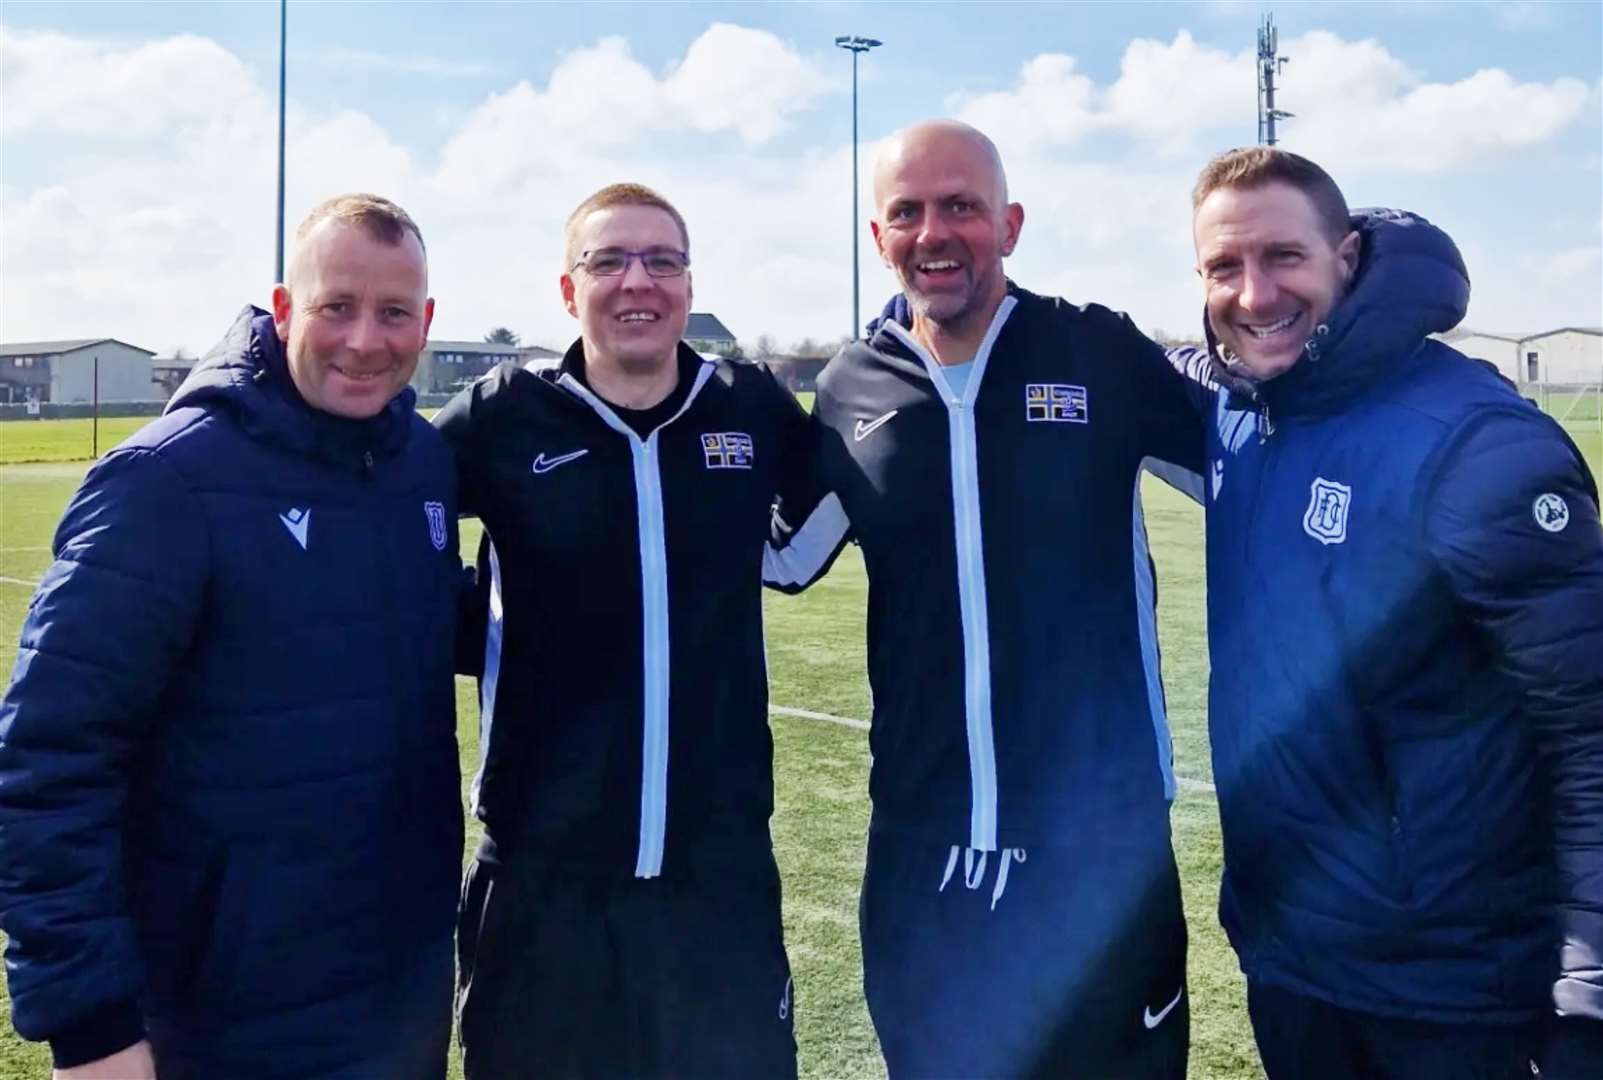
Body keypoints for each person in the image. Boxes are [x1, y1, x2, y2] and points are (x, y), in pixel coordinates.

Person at [765, 119, 1203, 1078]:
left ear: (1007, 223)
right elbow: (777, 559)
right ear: (878, 238)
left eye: (960, 206)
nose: (934, 233)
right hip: (924, 853)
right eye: (907, 212)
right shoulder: (850, 386)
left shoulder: (1097, 351)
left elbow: (1257, 463)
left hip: (1100, 846)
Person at [0, 194, 464, 1080]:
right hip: (222, 1019)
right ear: (285, 309)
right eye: (336, 306)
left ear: (426, 322)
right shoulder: (167, 481)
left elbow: (414, 620)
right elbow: (46, 763)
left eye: (394, 312)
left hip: (398, 1000)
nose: (365, 340)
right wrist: (89, 1025)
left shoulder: (421, 464)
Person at [1177, 146, 1603, 1079]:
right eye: (1222, 267)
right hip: (1290, 959)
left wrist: (1588, 985)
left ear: (1349, 256)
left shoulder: (1471, 443)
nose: (1252, 295)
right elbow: (1140, 365)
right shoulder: (1243, 406)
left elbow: (1589, 730)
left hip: (1454, 989)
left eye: (1283, 258)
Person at [437, 182, 815, 1079]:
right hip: (539, 878)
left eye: (662, 260)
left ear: (688, 285)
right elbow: (372, 512)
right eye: (607, 261)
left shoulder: (749, 409)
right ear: (568, 291)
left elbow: (847, 508)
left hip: (717, 879)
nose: (636, 281)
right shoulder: (499, 417)